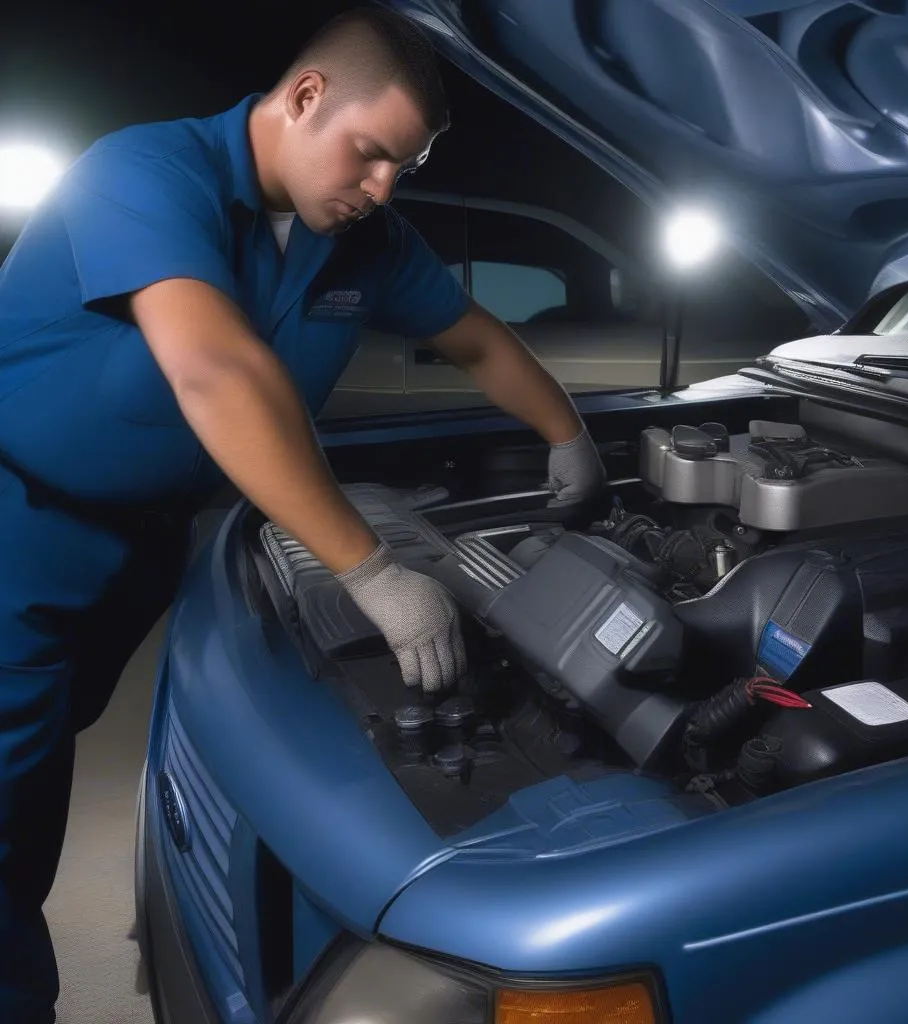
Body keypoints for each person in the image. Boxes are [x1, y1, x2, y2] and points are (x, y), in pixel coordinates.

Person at [0, 5, 606, 1020]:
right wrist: (369, 570)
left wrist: (567, 433)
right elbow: (216, 370)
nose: (381, 189)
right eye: (370, 156)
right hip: (16, 534)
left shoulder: (367, 243)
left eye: (401, 170)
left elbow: (475, 340)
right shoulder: (146, 172)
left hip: (140, 551)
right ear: (305, 96)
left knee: (34, 789)